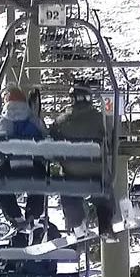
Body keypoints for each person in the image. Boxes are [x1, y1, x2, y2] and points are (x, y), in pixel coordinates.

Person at [49, 85, 113, 235]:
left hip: (72, 172)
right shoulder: (100, 118)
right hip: (96, 171)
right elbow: (110, 138)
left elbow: (52, 140)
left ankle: (76, 222)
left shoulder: (62, 121)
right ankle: (105, 224)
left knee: (69, 191)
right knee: (105, 191)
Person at [0, 85, 47, 226]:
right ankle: (33, 213)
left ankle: (14, 215)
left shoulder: (2, 121)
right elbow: (46, 138)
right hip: (33, 166)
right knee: (40, 180)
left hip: (10, 168)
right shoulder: (34, 120)